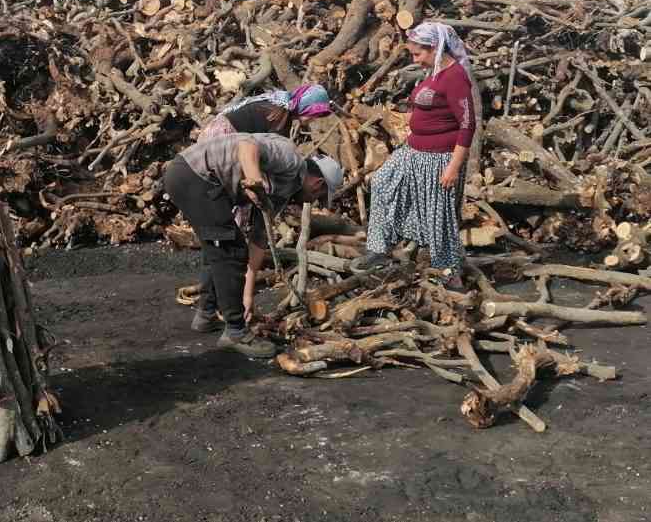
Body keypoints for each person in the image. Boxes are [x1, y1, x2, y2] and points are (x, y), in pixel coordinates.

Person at [164, 133, 343, 358]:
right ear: (317, 184)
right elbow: (247, 145)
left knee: (219, 247)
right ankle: (235, 332)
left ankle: (206, 314)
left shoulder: (284, 193)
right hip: (193, 174)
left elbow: (259, 239)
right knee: (229, 250)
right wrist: (253, 180)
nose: (312, 202)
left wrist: (247, 296)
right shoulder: (291, 159)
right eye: (318, 197)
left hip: (195, 179)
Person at [350, 22, 477, 287]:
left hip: (439, 158)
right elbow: (429, 108)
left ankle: (450, 272)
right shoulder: (434, 72)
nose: (414, 59)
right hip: (413, 151)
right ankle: (379, 247)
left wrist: (453, 167)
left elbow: (467, 124)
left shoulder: (455, 77)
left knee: (438, 214)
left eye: (418, 53)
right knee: (382, 181)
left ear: (436, 48)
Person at [198, 85, 333, 320]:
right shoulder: (273, 113)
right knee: (233, 232)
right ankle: (222, 304)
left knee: (231, 231)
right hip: (220, 147)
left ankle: (216, 303)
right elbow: (251, 150)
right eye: (313, 115)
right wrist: (257, 188)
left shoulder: (280, 112)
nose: (311, 122)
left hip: (224, 150)